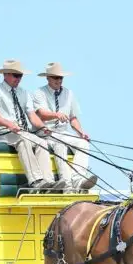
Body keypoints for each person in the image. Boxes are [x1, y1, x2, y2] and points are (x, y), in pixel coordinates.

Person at [0, 59, 62, 193]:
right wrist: (9, 124)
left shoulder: (24, 93)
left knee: (42, 142)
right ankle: (36, 181)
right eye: (15, 75)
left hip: (20, 132)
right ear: (5, 75)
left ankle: (48, 183)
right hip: (0, 133)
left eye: (20, 75)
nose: (18, 79)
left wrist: (43, 127)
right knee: (24, 139)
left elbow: (32, 116)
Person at [32, 62, 97, 193]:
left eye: (61, 78)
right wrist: (56, 115)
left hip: (63, 132)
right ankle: (66, 184)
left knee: (83, 143)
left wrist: (81, 132)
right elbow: (41, 114)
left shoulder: (69, 93)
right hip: (45, 132)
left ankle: (78, 180)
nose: (59, 80)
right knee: (59, 143)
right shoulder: (39, 93)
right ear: (48, 78)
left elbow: (73, 118)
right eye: (56, 77)